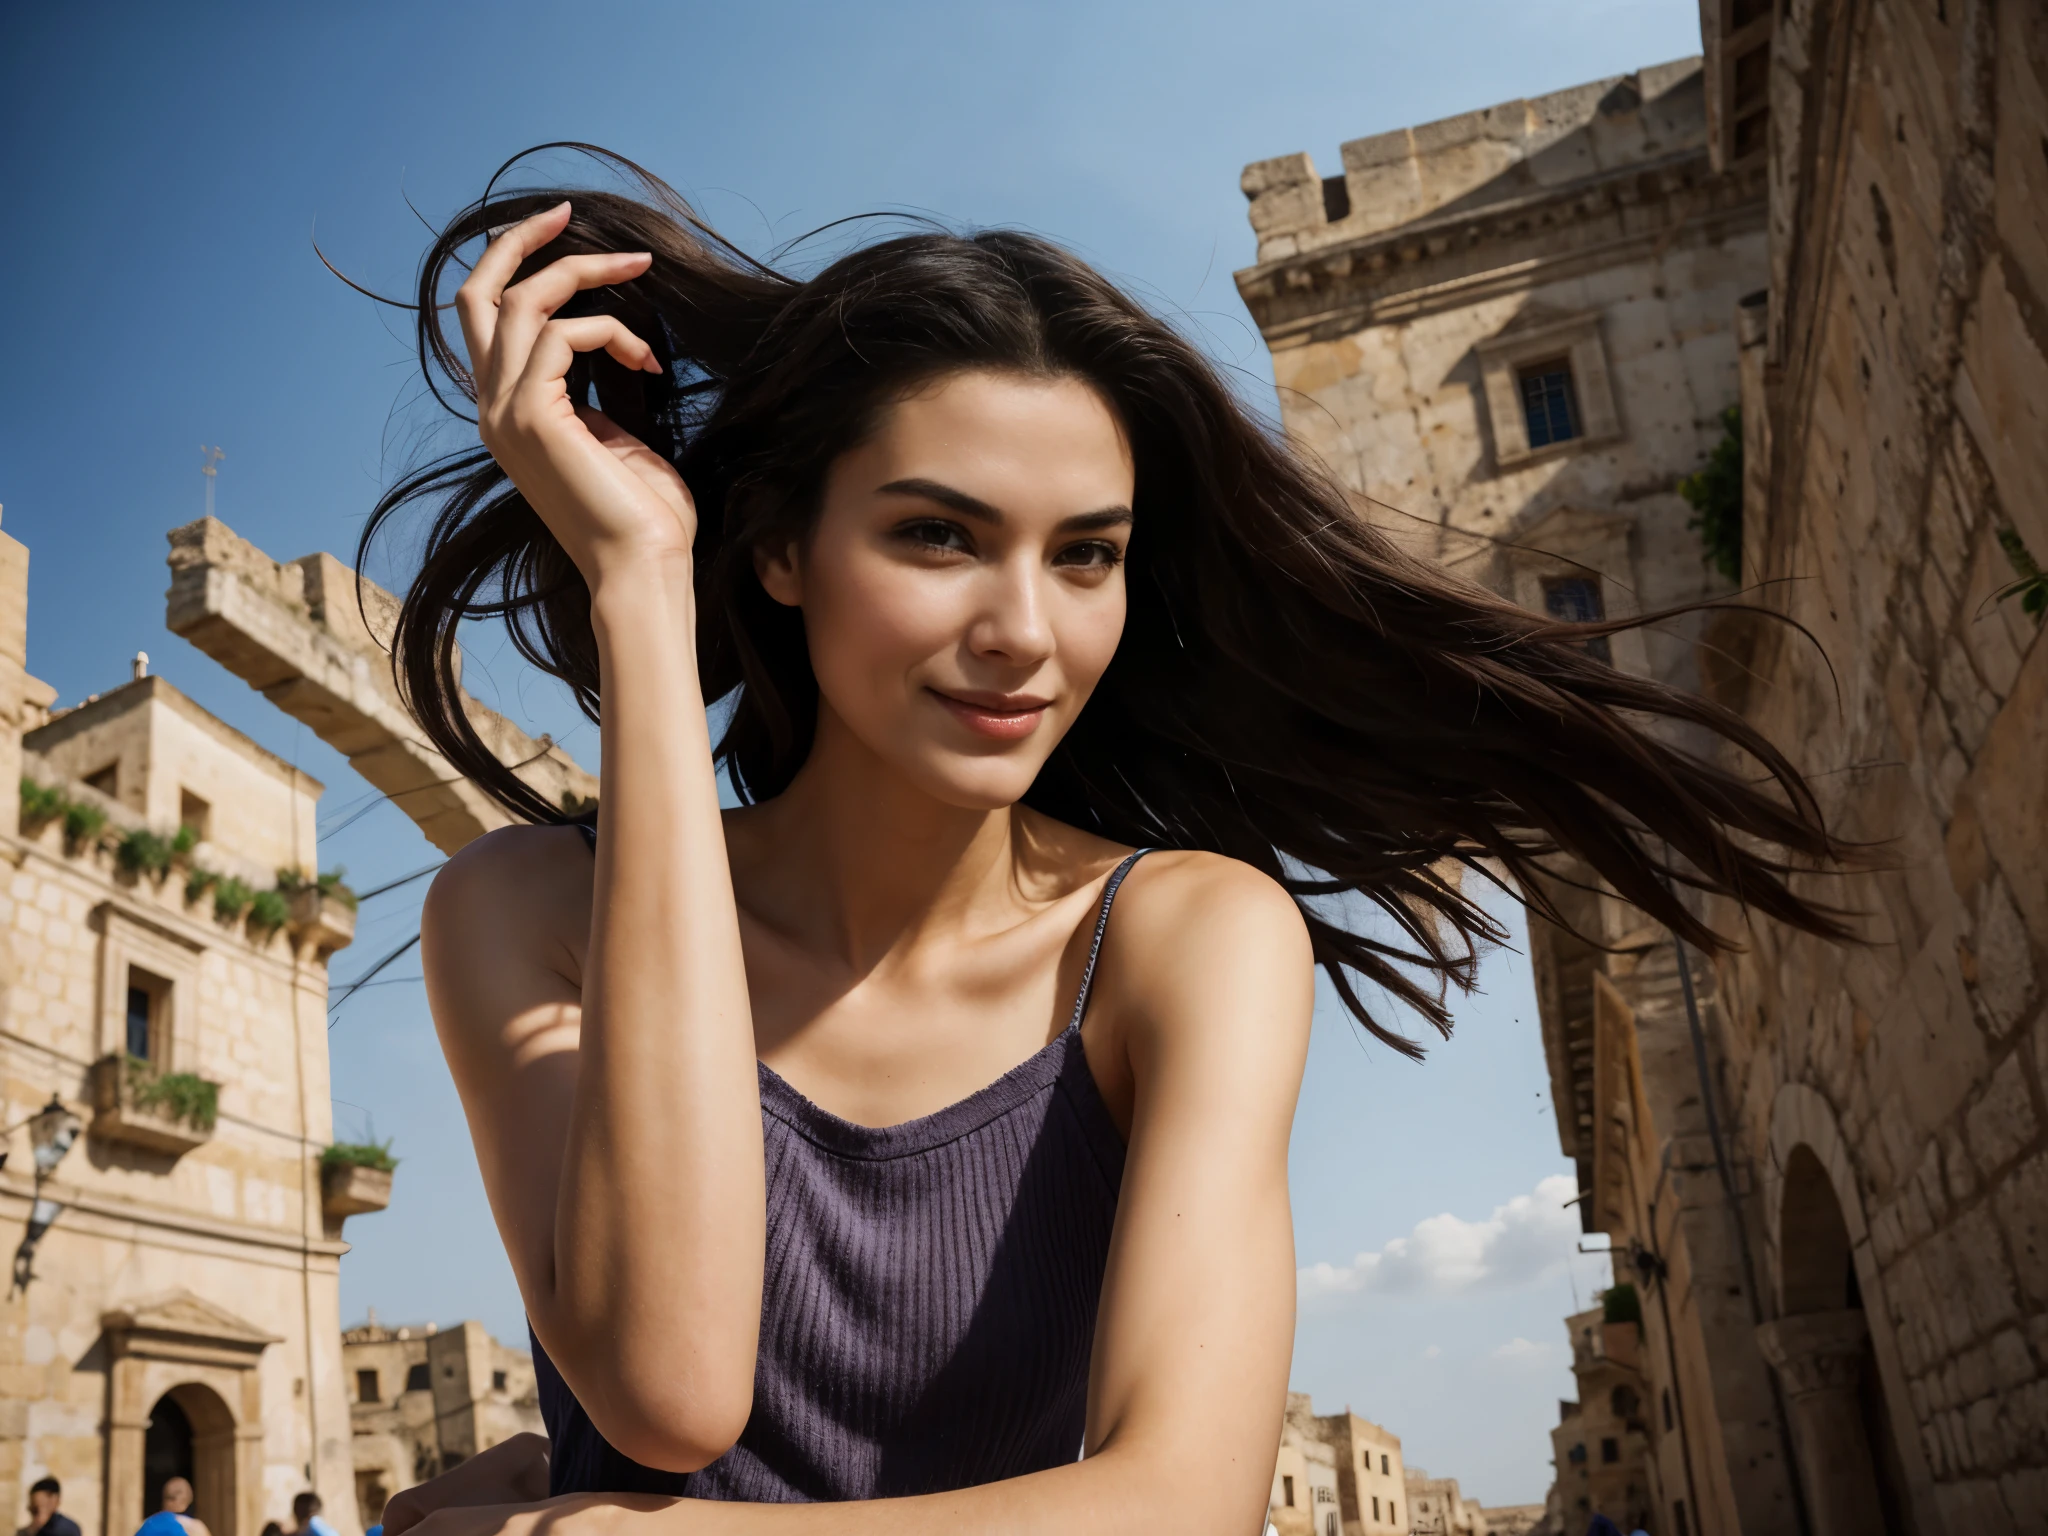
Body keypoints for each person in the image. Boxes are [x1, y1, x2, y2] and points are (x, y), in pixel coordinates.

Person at [362, 151, 1852, 1536]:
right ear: (773, 548)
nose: (1025, 634)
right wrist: (636, 584)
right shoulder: (525, 909)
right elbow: (669, 1386)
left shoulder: (1183, 938)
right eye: (937, 536)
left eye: (1086, 555)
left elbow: (1181, 1506)